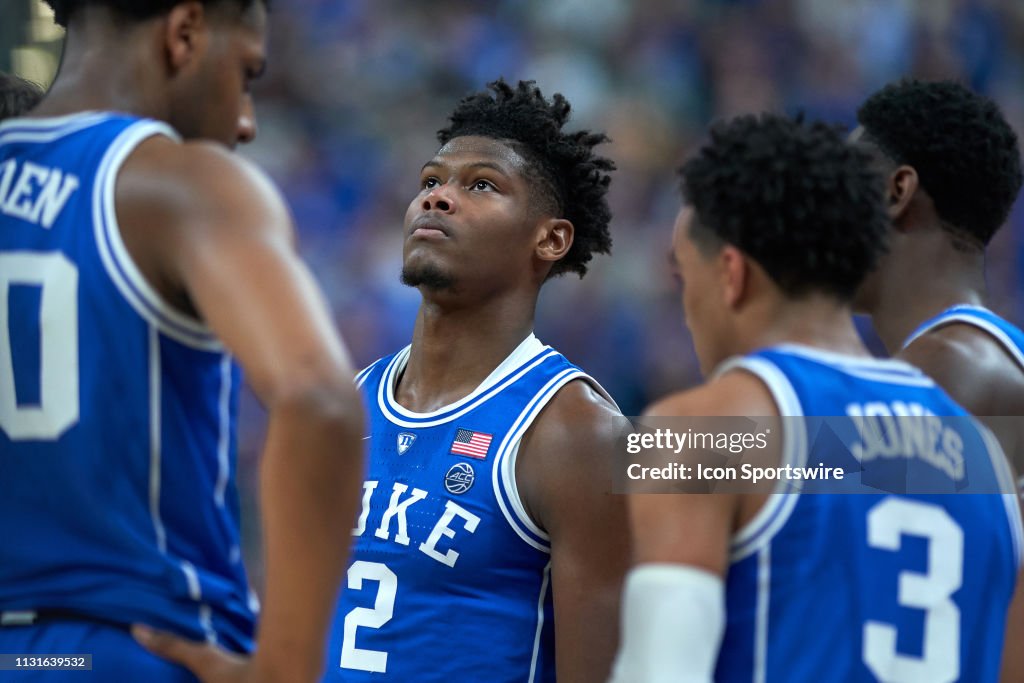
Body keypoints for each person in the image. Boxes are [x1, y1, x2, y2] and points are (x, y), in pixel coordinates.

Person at [0, 1, 364, 682]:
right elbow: (321, 403)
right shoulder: (179, 182)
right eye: (247, 74)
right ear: (185, 33)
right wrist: (284, 669)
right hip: (135, 646)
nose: (248, 121)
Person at [609, 113, 1024, 682]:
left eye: (686, 280)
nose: (685, 312)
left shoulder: (700, 431)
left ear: (731, 275)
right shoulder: (986, 455)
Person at [322, 79, 629, 683]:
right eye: (431, 181)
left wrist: (859, 451)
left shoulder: (575, 431)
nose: (437, 199)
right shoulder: (347, 401)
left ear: (551, 238)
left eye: (481, 185)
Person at [852, 79, 1024, 419]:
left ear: (897, 192)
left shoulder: (944, 369)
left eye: (843, 180)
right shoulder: (985, 354)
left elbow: (821, 471)